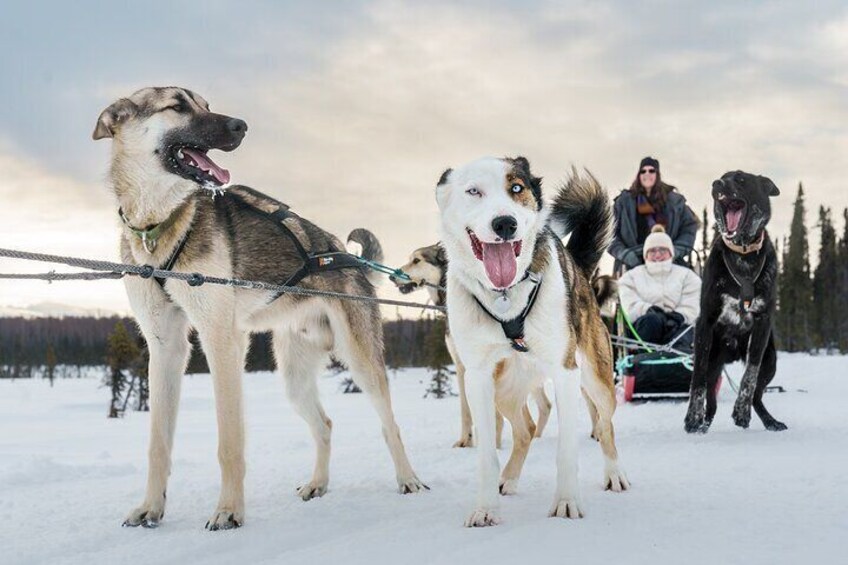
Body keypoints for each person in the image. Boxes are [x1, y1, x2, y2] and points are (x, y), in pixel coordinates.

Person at [609, 156, 699, 271]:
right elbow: (610, 234)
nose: (647, 174)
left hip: (669, 265)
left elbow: (689, 228)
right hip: (631, 265)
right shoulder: (623, 203)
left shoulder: (675, 202)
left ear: (657, 174)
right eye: (643, 171)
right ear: (639, 175)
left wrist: (675, 251)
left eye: (651, 170)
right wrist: (624, 254)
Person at [618, 225, 701, 349]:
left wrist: (680, 316)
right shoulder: (631, 277)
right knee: (651, 321)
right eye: (652, 251)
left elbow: (693, 302)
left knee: (684, 334)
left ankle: (679, 358)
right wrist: (647, 309)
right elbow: (629, 303)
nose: (657, 255)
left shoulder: (687, 276)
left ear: (671, 253)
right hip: (645, 326)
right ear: (645, 255)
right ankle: (645, 358)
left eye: (662, 250)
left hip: (678, 325)